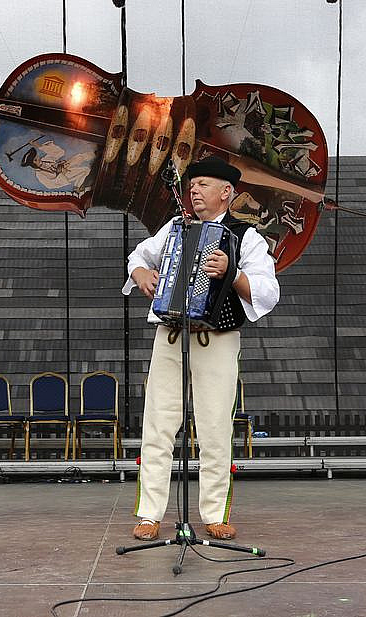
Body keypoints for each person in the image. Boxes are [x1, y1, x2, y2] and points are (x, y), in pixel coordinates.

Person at [124, 155, 279, 541]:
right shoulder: (175, 227)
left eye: (203, 184)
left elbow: (267, 291)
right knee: (158, 424)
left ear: (226, 192)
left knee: (214, 427)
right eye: (192, 185)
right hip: (171, 334)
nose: (194, 190)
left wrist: (232, 272)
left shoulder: (246, 237)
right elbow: (139, 256)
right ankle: (150, 513)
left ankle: (213, 512)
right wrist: (141, 273)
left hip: (217, 339)